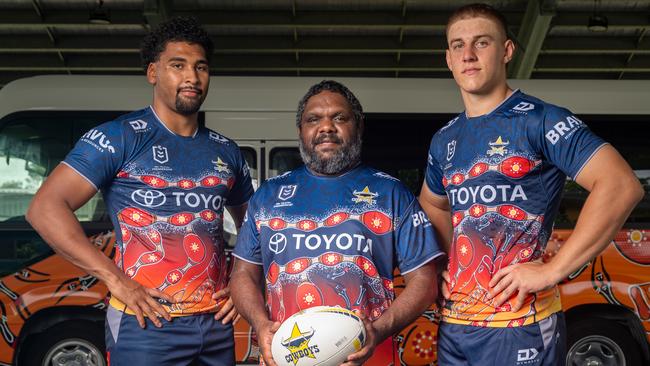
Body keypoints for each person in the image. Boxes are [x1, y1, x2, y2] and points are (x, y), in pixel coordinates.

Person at [418, 3, 644, 365]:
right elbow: (433, 203)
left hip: (521, 323)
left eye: (482, 43)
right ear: (448, 58)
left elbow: (620, 184)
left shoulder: (541, 120)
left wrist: (553, 270)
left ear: (507, 51)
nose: (469, 55)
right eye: (458, 45)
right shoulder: (445, 139)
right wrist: (445, 263)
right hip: (456, 325)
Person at [26, 17, 253, 365]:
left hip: (215, 323)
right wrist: (117, 281)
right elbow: (45, 208)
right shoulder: (119, 137)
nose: (191, 77)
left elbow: (254, 225)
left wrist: (242, 285)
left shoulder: (226, 150)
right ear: (153, 73)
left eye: (200, 67)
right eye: (177, 65)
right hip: (144, 321)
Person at [230, 80, 443, 366]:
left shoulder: (391, 193)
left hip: (371, 359)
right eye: (314, 119)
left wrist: (377, 331)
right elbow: (243, 273)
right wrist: (259, 323)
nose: (326, 127)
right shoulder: (267, 196)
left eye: (339, 118)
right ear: (301, 131)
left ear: (359, 126)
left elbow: (425, 281)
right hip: (290, 357)